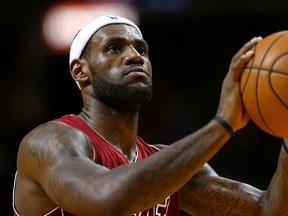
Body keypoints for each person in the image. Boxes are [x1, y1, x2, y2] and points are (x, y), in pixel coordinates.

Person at [13, 15, 288, 216]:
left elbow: (267, 210)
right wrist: (222, 125)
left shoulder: (167, 165)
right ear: (79, 71)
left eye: (141, 49)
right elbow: (109, 199)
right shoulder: (49, 142)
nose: (134, 56)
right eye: (114, 48)